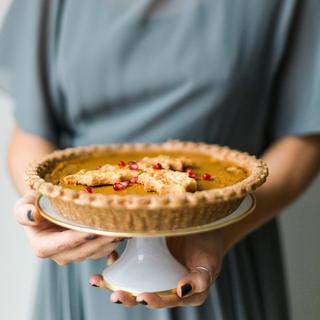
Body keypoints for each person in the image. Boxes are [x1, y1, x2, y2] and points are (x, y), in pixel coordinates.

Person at [1, 0, 320, 319]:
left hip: (222, 252)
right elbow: (30, 133)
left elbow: (306, 135)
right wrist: (46, 210)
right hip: (86, 262)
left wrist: (219, 233)